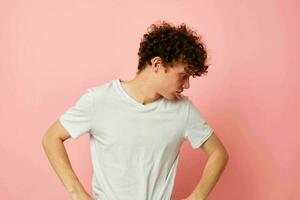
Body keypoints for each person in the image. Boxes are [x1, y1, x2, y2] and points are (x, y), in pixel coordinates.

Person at [42, 21, 229, 200]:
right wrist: (78, 195)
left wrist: (197, 197)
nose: (186, 85)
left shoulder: (183, 110)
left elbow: (218, 153)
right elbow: (51, 138)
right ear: (157, 64)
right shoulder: (99, 100)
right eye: (183, 75)